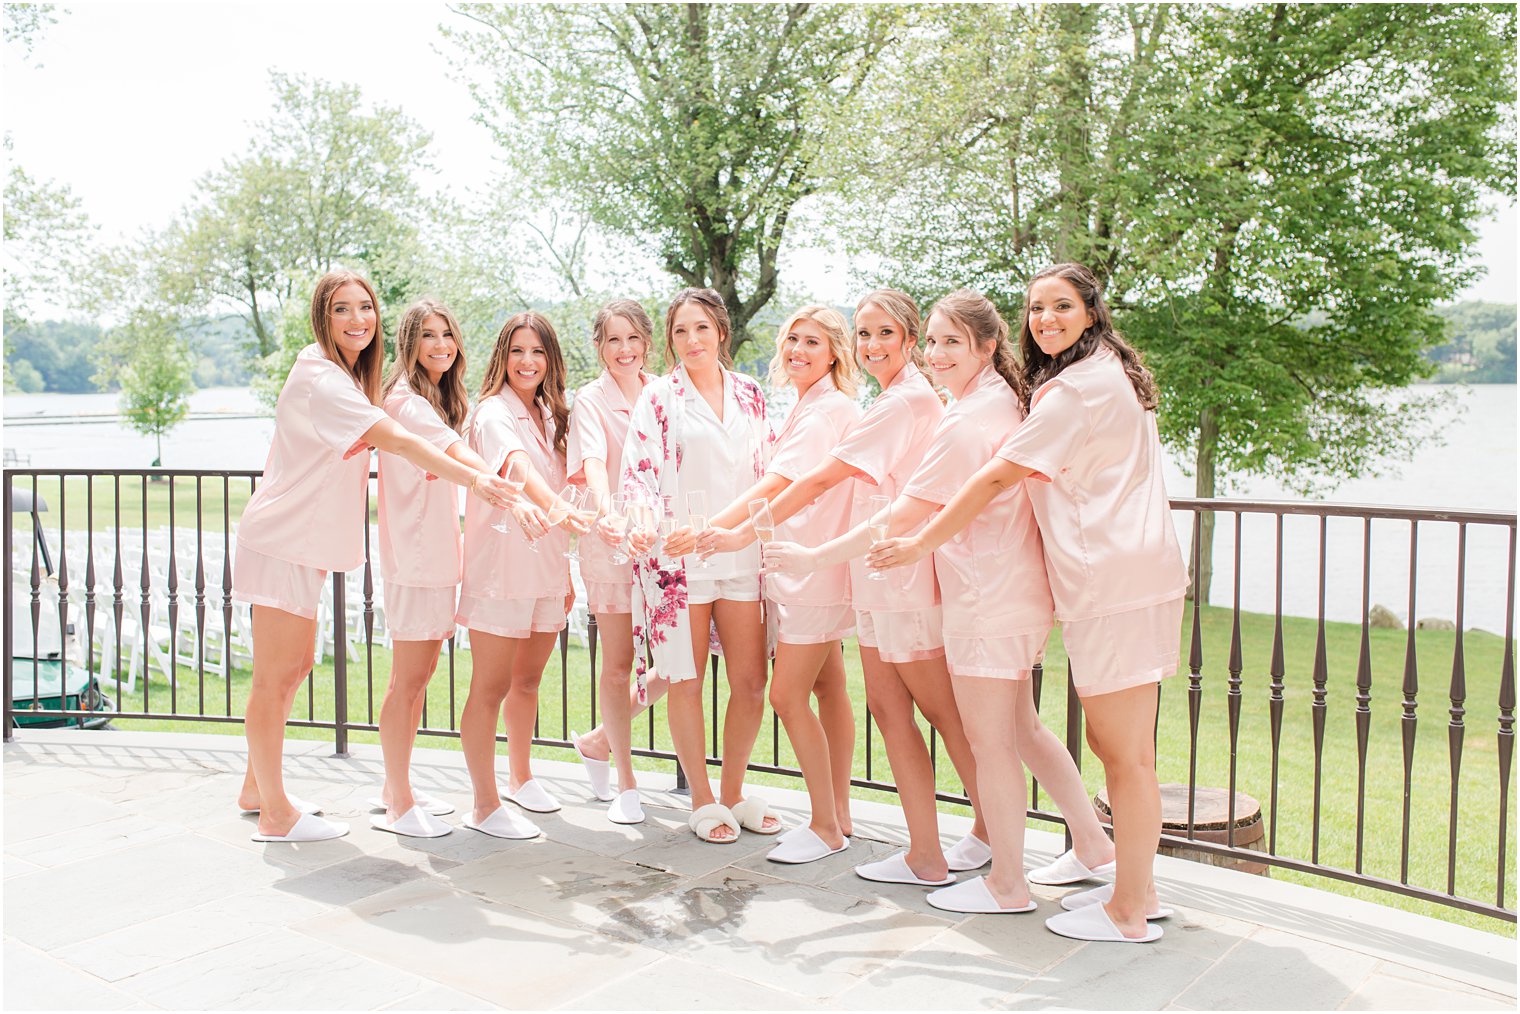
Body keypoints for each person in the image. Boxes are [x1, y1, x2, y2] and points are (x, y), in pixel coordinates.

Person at [871, 263, 1187, 942]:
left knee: (1125, 756)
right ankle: (1129, 884)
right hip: (1110, 580)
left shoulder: (1073, 392)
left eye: (1061, 306)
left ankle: (1126, 909)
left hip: (1112, 584)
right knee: (1111, 745)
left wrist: (918, 539)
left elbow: (995, 475)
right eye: (1037, 308)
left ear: (1091, 311)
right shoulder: (1092, 376)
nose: (1046, 319)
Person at [782, 290, 1116, 911]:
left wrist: (812, 557)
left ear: (987, 347)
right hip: (1004, 591)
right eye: (933, 341)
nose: (936, 354)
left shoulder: (967, 420)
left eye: (950, 342)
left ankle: (1007, 885)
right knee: (1023, 729)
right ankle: (1095, 848)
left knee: (992, 743)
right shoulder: (989, 403)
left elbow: (906, 513)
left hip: (988, 598)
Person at [233, 271, 513, 843]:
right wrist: (479, 482)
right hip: (282, 538)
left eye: (366, 307)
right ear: (322, 316)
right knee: (276, 676)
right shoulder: (324, 379)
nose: (358, 319)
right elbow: (408, 442)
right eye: (342, 310)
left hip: (298, 542)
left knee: (295, 667)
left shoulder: (341, 375)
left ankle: (256, 788)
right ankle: (275, 815)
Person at [759, 289, 991, 886]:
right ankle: (937, 849)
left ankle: (981, 835)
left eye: (885, 333)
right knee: (893, 711)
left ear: (911, 340)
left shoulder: (902, 403)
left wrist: (741, 535)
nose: (871, 345)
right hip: (879, 580)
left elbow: (820, 479)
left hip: (902, 582)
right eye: (863, 334)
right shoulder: (898, 400)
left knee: (936, 713)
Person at [696, 305, 861, 863]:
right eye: (792, 339)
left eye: (813, 342)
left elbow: (779, 484)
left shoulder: (823, 412)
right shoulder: (808, 406)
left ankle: (825, 827)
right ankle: (839, 811)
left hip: (807, 572)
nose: (798, 351)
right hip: (804, 568)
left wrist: (715, 528)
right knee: (829, 688)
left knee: (787, 695)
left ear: (835, 352)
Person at [622, 287, 781, 843]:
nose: (692, 340)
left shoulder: (752, 394)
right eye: (681, 331)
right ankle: (703, 798)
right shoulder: (660, 397)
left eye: (702, 329)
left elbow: (772, 471)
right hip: (680, 558)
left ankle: (734, 791)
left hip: (740, 554)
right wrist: (644, 519)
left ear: (721, 332)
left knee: (750, 681)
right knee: (685, 681)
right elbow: (638, 471)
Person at [369, 299, 497, 839]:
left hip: (437, 556)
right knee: (408, 680)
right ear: (409, 344)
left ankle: (394, 786)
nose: (441, 344)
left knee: (417, 679)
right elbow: (455, 455)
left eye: (448, 334)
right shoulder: (406, 403)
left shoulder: (435, 399)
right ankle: (398, 800)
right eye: (428, 336)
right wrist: (501, 482)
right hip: (416, 559)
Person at [456, 311, 586, 840]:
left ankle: (520, 776)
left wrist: (566, 565)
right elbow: (516, 468)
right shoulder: (492, 413)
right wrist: (563, 511)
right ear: (501, 358)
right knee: (490, 686)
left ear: (550, 359)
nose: (527, 362)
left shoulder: (552, 416)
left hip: (547, 567)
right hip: (501, 568)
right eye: (516, 351)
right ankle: (484, 805)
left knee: (527, 681)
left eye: (537, 352)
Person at [564, 299, 669, 824]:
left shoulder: (667, 390)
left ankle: (600, 739)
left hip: (664, 543)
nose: (623, 349)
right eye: (612, 340)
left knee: (675, 659)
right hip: (610, 543)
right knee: (619, 662)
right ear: (599, 346)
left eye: (632, 338)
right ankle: (627, 781)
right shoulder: (590, 399)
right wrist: (607, 512)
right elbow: (593, 464)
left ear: (647, 341)